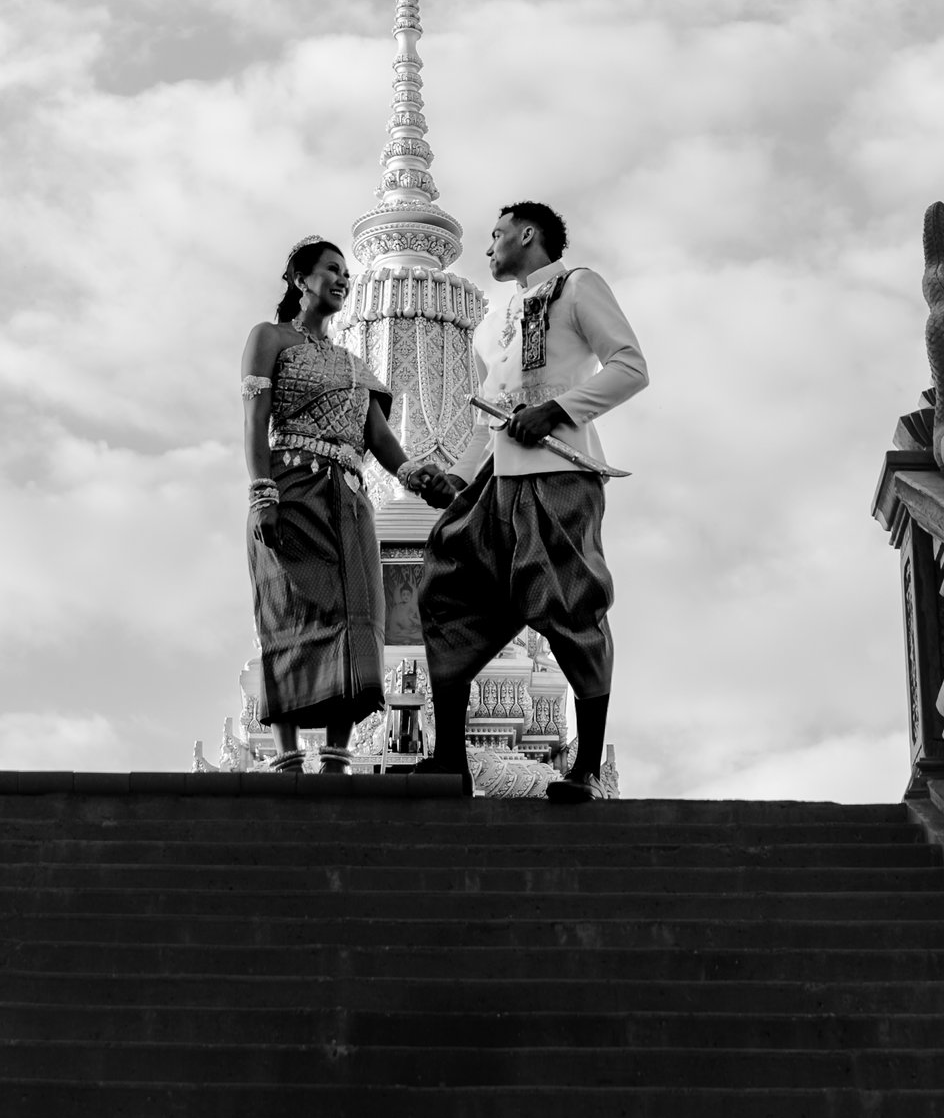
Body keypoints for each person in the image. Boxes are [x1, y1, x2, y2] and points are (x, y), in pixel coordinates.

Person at [403, 200, 648, 804]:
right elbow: (493, 422)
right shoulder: (494, 324)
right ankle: (449, 758)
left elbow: (630, 366)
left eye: (496, 235)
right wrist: (454, 480)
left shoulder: (576, 287)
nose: (488, 248)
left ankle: (586, 769)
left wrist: (558, 411)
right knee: (445, 588)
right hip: (497, 486)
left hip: (559, 474)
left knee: (569, 605)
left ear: (528, 234)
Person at [241, 238, 451, 772]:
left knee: (357, 616)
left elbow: (378, 438)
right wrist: (262, 491)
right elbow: (255, 420)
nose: (342, 280)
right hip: (291, 490)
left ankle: (337, 757)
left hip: (349, 500)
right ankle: (288, 758)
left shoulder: (353, 364)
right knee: (289, 610)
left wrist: (416, 475)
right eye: (332, 270)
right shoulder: (269, 338)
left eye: (347, 274)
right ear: (298, 278)